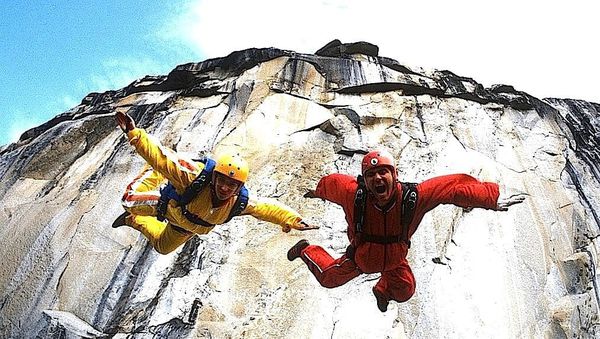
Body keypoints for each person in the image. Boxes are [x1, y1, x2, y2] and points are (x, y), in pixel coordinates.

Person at [287, 150, 526, 312]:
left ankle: (382, 290)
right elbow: (332, 184)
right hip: (361, 259)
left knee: (405, 290)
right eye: (370, 175)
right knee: (328, 278)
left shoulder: (412, 198)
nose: (377, 178)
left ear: (394, 175)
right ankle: (306, 249)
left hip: (393, 261)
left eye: (383, 172)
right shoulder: (355, 195)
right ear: (364, 180)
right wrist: (317, 191)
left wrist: (491, 197)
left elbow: (452, 188)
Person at [113, 111, 319, 254]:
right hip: (168, 207)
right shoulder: (194, 177)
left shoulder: (238, 202)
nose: (224, 188)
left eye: (232, 186)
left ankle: (132, 220)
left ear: (239, 188)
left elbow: (266, 208)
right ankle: (154, 175)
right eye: (221, 181)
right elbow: (161, 158)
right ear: (214, 178)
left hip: (186, 227)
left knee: (162, 247)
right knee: (128, 200)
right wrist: (134, 134)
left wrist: (292, 220)